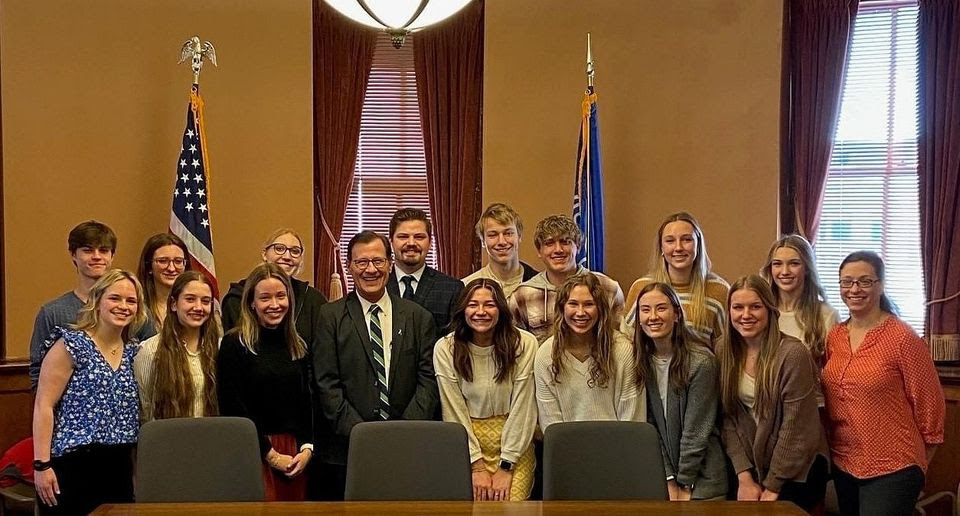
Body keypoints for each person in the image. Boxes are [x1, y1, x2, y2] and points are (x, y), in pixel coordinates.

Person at [314, 231, 439, 499]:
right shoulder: (330, 316)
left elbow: (427, 381)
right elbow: (327, 384)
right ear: (349, 266)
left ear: (390, 265)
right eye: (361, 262)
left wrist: (401, 433)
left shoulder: (418, 317)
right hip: (347, 451)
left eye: (378, 261)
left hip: (407, 447)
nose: (370, 269)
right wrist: (362, 435)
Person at [823, 251, 945, 516]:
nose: (854, 289)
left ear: (881, 285)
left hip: (894, 466)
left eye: (865, 281)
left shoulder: (902, 338)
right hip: (844, 463)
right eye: (847, 281)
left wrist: (921, 465)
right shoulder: (835, 337)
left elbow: (930, 405)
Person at [32, 269, 146, 515]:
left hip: (119, 468)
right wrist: (41, 466)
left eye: (131, 300)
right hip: (72, 466)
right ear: (97, 301)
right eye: (115, 298)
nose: (123, 306)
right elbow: (44, 405)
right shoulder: (71, 344)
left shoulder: (134, 353)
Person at [718, 275, 828, 513]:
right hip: (751, 465)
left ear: (770, 311)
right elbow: (727, 419)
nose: (746, 315)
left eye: (755, 307)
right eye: (738, 307)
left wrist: (773, 486)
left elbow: (797, 429)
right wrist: (744, 477)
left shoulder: (792, 354)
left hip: (796, 468)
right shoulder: (722, 351)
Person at [434, 279, 538, 501]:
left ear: (500, 309)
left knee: (511, 507)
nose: (481, 312)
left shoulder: (524, 343)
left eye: (489, 305)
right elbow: (453, 410)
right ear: (463, 309)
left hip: (514, 443)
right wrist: (477, 467)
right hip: (468, 446)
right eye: (473, 305)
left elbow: (524, 406)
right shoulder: (446, 348)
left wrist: (506, 465)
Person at [217, 263, 314, 501]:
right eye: (265, 298)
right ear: (251, 302)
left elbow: (306, 401)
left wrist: (307, 448)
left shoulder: (297, 344)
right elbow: (232, 406)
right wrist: (270, 455)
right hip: (254, 451)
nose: (274, 304)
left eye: (281, 296)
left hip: (294, 455)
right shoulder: (234, 344)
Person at [633, 282, 727, 501]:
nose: (653, 316)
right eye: (645, 310)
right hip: (666, 480)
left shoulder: (702, 362)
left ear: (676, 314)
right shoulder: (641, 362)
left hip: (703, 480)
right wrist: (669, 479)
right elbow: (651, 427)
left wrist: (685, 482)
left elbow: (697, 431)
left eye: (661, 308)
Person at [534, 272, 642, 429]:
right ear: (562, 308)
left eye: (588, 304)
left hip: (618, 447)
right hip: (568, 450)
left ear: (600, 309)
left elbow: (632, 419)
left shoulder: (622, 350)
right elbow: (552, 427)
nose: (580, 312)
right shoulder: (546, 355)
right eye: (573, 304)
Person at [29, 220, 117, 391]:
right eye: (88, 250)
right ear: (73, 254)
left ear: (112, 256)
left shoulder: (130, 310)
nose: (97, 256)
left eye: (104, 251)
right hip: (68, 413)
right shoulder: (52, 313)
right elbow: (37, 374)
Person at [622, 212, 728, 351]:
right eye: (670, 241)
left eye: (686, 240)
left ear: (698, 245)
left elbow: (725, 350)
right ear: (661, 247)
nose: (678, 248)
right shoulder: (641, 287)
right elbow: (626, 343)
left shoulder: (719, 291)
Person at [511, 215, 623, 343]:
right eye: (549, 243)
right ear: (539, 250)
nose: (558, 250)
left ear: (578, 247)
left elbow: (619, 341)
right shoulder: (522, 296)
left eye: (565, 242)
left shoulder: (608, 288)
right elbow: (517, 348)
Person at [134, 271, 220, 423]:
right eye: (190, 299)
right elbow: (146, 410)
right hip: (168, 441)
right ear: (174, 304)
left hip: (212, 439)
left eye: (205, 301)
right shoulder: (151, 350)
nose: (198, 307)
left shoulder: (220, 349)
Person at [222, 228, 327, 348]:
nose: (287, 256)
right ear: (264, 254)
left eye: (295, 251)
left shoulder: (314, 300)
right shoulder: (237, 299)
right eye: (279, 249)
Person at [386, 208, 463, 332]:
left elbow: (455, 341)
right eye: (403, 237)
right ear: (391, 242)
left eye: (419, 237)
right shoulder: (378, 285)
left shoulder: (452, 288)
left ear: (430, 243)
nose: (411, 243)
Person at [462, 203, 538, 297]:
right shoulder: (467, 287)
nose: (502, 242)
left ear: (519, 236)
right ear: (482, 241)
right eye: (493, 235)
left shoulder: (539, 285)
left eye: (508, 233)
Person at [136, 233, 191, 339]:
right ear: (149, 266)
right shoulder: (135, 306)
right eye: (162, 261)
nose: (171, 268)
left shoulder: (197, 305)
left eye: (178, 261)